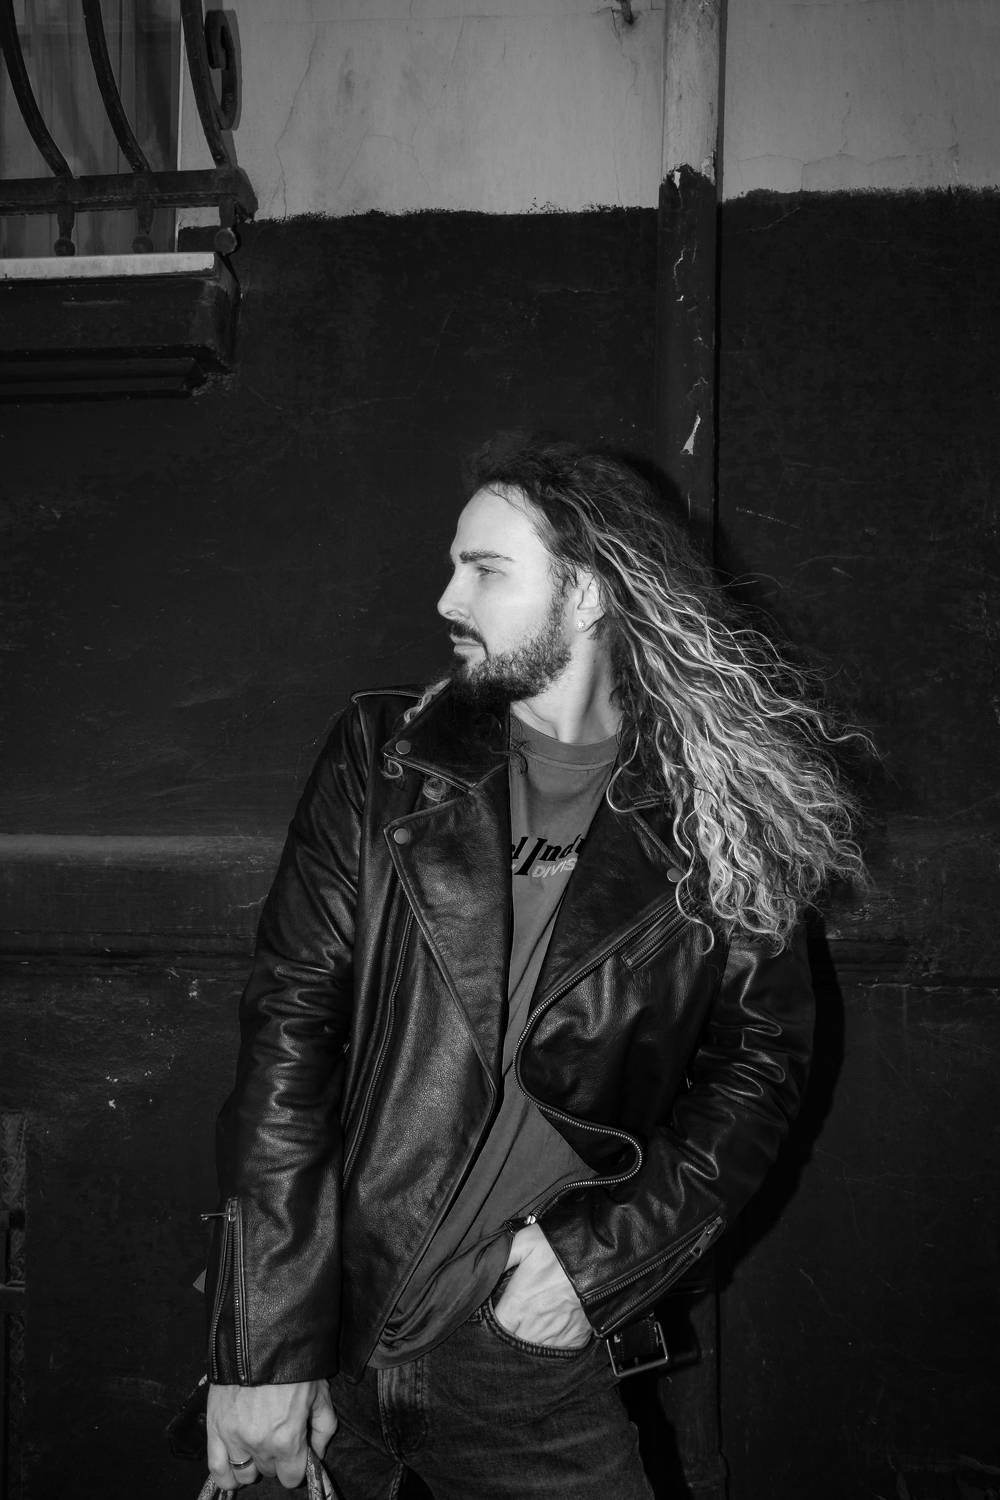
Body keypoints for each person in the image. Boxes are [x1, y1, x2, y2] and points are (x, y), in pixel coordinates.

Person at [203, 437, 864, 1497]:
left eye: (485, 569)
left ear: (588, 593)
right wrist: (264, 1347)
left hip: (526, 1361)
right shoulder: (386, 758)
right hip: (333, 1324)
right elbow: (290, 1034)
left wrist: (590, 1266)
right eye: (453, 564)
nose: (446, 597)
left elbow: (759, 1067)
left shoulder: (723, 812)